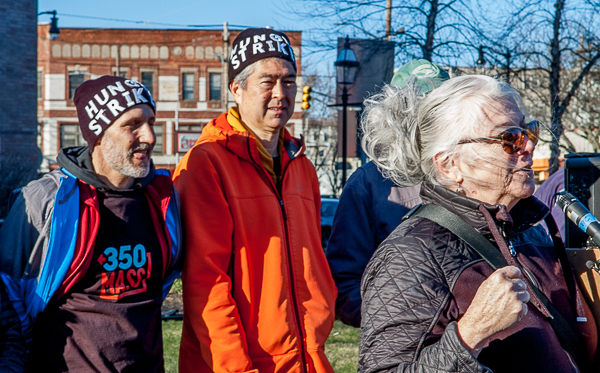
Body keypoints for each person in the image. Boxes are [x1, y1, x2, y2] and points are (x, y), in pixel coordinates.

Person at [358, 75, 597, 372]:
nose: (528, 147)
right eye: (509, 138)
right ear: (450, 164)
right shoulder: (410, 253)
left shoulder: (532, 232)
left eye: (529, 131)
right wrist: (470, 333)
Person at [173, 28, 336, 373]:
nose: (281, 93)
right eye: (267, 82)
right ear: (236, 89)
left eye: (289, 81)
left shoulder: (301, 165)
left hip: (307, 359)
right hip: (238, 364)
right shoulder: (207, 162)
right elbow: (206, 283)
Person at [0, 75, 182, 372]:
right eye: (132, 124)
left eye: (151, 121)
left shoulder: (162, 198)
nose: (149, 136)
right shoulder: (46, 201)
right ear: (98, 134)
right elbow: (7, 300)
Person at [326, 59, 448, 327]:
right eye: (420, 108)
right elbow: (345, 284)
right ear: (397, 115)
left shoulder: (472, 170)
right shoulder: (367, 184)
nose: (431, 119)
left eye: (441, 108)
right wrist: (398, 327)